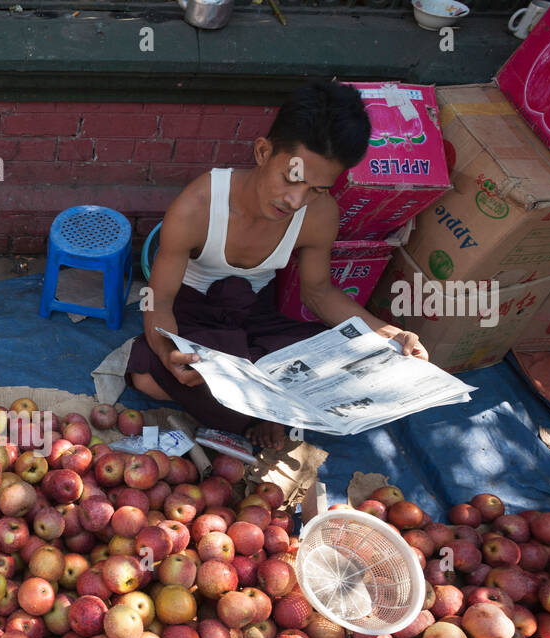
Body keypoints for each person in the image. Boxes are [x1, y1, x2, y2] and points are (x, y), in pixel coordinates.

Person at [128, 80, 429, 449]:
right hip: (193, 312)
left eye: (317, 189)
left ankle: (264, 404)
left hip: (256, 313)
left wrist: (389, 334)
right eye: (292, 178)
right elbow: (155, 300)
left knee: (339, 367)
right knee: (151, 377)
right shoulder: (199, 205)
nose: (296, 200)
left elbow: (318, 293)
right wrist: (165, 352)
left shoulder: (319, 214)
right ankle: (265, 409)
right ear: (262, 152)